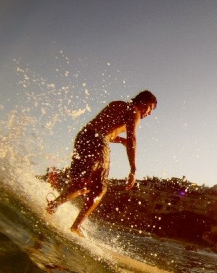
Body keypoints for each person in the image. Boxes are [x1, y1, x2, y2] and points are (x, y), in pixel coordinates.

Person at [46, 90, 157, 236]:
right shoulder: (134, 111)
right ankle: (75, 226)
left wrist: (119, 140)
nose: (149, 114)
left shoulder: (117, 105)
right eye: (150, 108)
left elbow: (103, 130)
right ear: (143, 103)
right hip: (98, 141)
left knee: (83, 184)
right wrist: (133, 170)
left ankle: (53, 205)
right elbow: (132, 139)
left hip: (83, 136)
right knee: (99, 189)